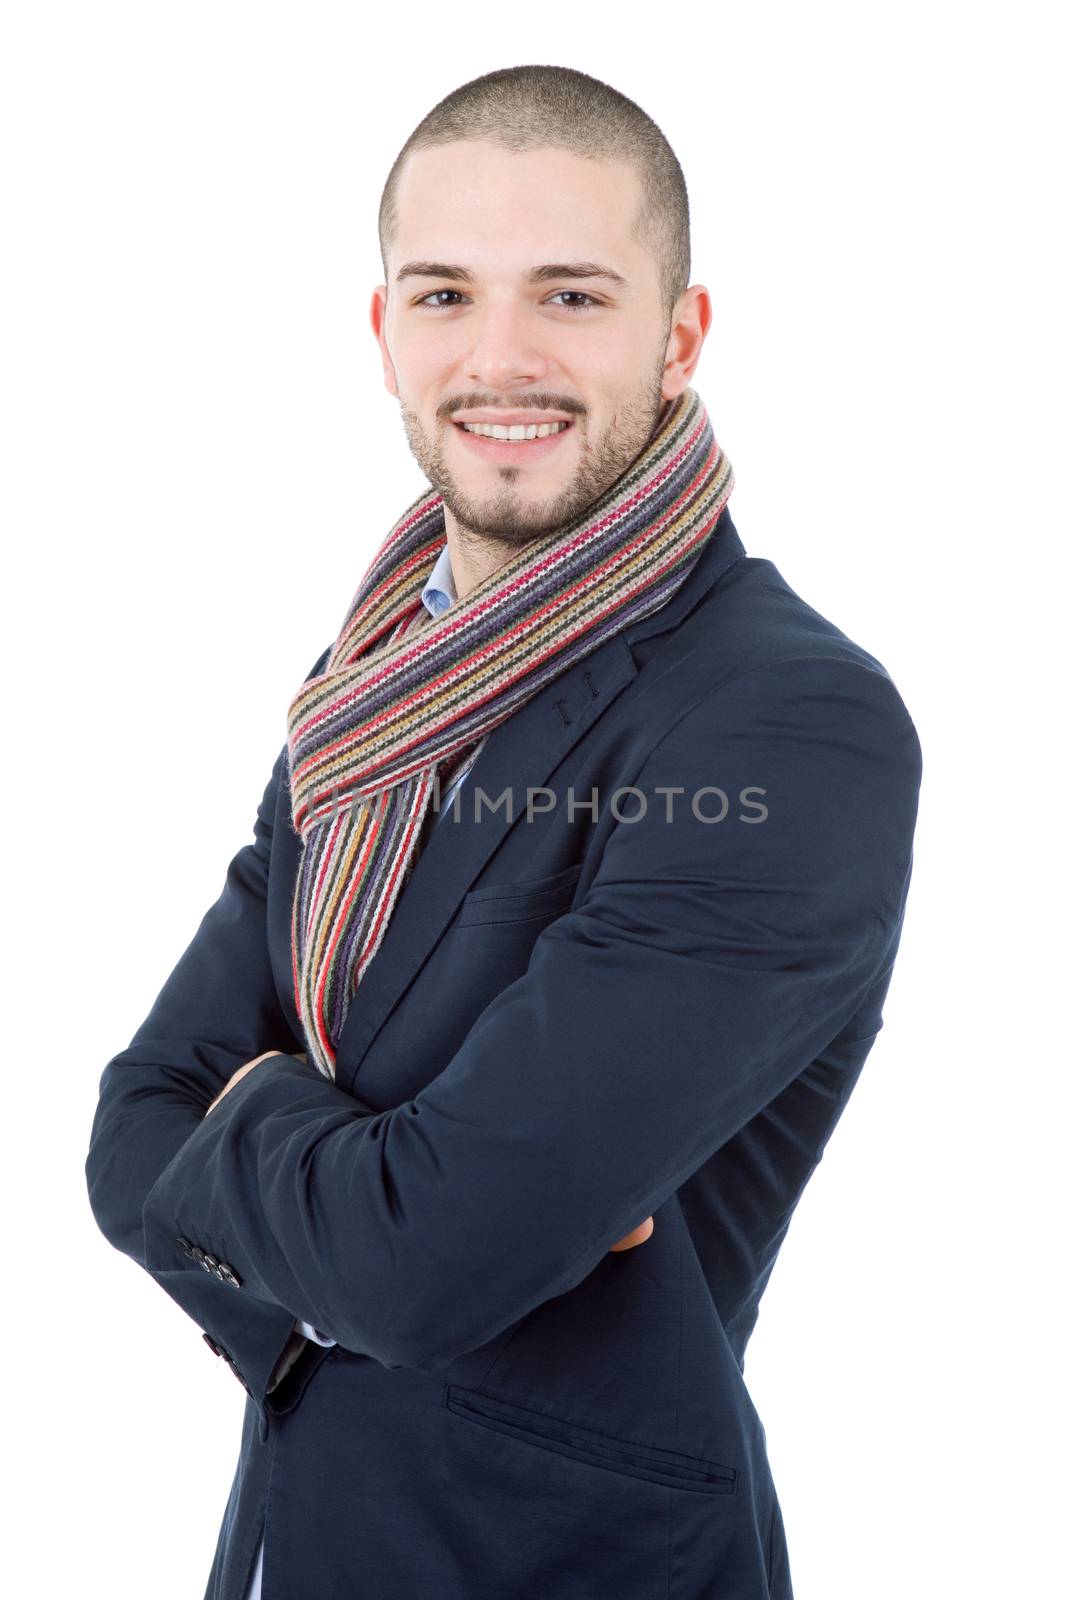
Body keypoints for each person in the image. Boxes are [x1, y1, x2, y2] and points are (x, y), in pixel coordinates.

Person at [85, 64, 922, 1600]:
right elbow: (131, 1128)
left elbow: (428, 1259)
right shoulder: (373, 689)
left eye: (573, 298)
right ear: (385, 333)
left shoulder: (785, 725)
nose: (502, 357)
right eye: (448, 294)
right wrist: (352, 1175)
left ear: (679, 338)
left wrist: (257, 1114)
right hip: (297, 1542)